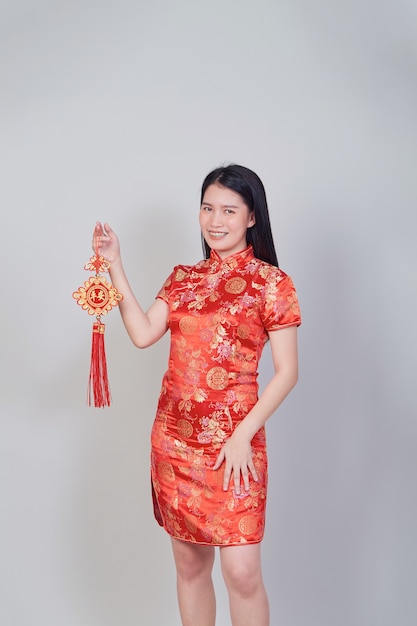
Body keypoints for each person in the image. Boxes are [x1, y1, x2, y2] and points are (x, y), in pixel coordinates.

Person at [94, 164, 301, 626]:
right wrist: (114, 265)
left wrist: (243, 435)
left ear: (251, 217)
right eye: (208, 208)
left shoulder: (272, 283)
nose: (215, 220)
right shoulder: (183, 277)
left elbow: (287, 373)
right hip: (175, 444)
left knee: (242, 572)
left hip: (238, 445)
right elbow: (144, 333)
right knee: (190, 567)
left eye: (229, 209)